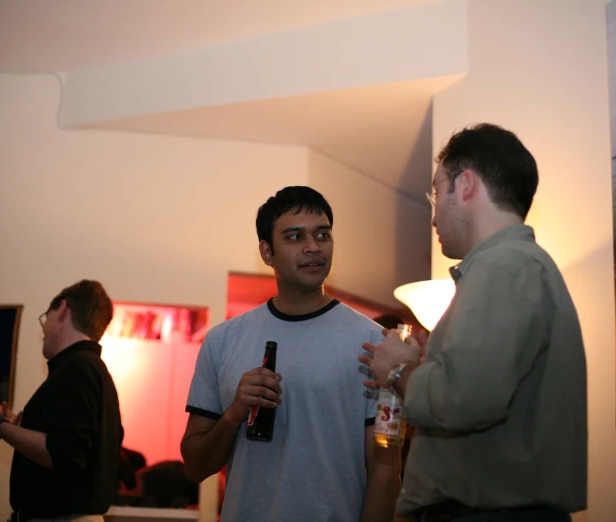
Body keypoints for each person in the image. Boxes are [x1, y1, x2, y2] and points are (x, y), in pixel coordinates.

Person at [361, 123, 587, 521]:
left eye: (436, 192)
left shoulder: (505, 267)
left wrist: (397, 370)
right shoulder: (514, 267)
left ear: (465, 185)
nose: (433, 216)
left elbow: (462, 398)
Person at [181, 186, 400, 522]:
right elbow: (195, 466)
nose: (313, 247)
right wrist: (235, 412)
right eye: (295, 237)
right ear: (267, 252)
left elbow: (385, 469)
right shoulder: (223, 340)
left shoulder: (372, 342)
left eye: (322, 234)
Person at [0, 279, 124, 522]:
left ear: (62, 309)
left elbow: (64, 454)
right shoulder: (89, 369)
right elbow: (71, 448)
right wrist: (12, 426)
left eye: (46, 316)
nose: (43, 329)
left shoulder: (78, 368)